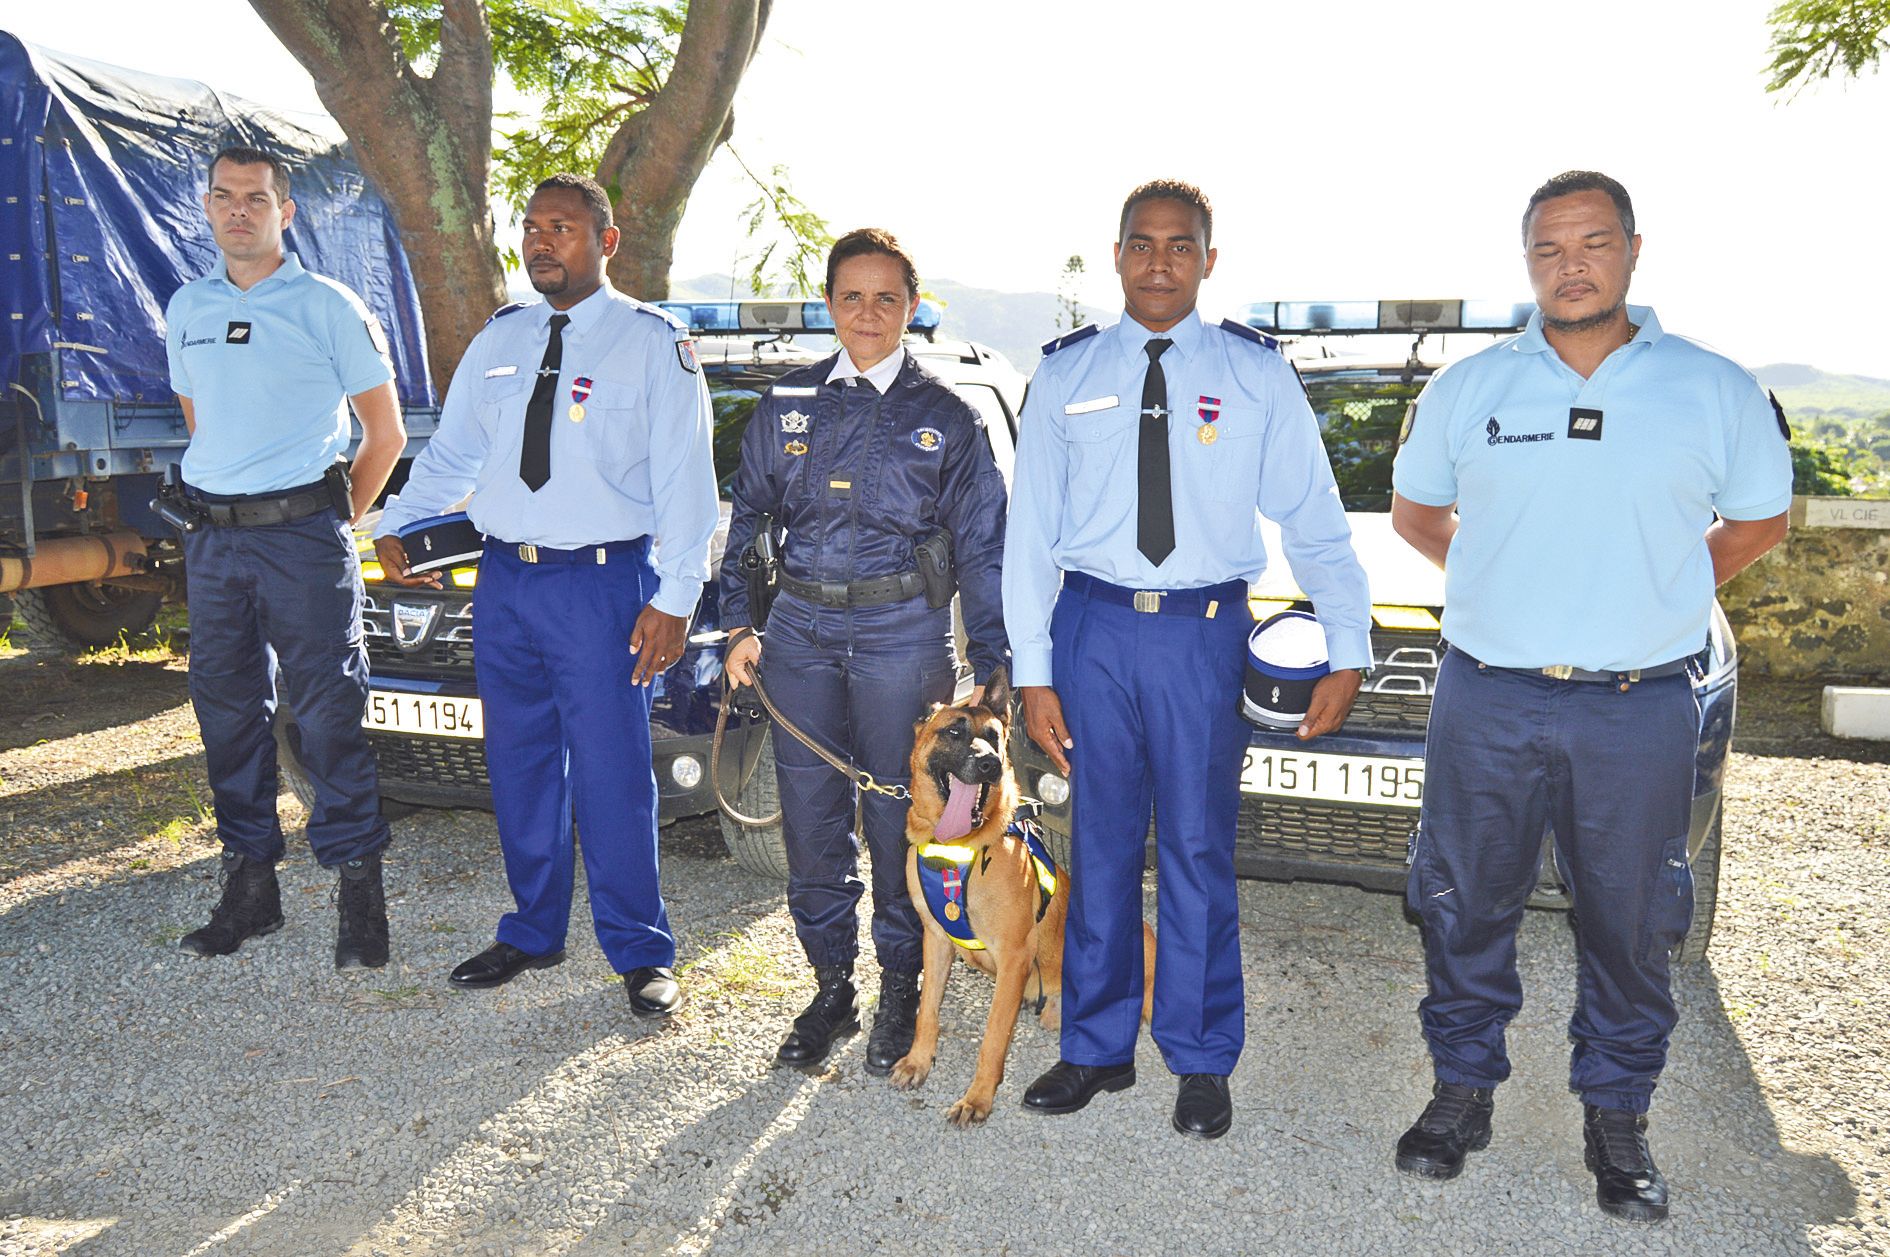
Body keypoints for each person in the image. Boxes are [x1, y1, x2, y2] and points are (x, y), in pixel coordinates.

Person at [1388, 170, 1791, 1222]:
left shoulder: (1712, 388)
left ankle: (1618, 1123)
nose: (1571, 266)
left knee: (1630, 918)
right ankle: (1461, 1094)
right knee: (1466, 905)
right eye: (1549, 249)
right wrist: (1510, 583)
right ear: (1528, 261)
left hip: (1637, 706)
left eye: (1592, 244)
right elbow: (1419, 515)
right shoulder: (1470, 388)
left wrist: (1649, 590)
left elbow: (1757, 525)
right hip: (1488, 698)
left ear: (1633, 250)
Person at [1003, 180, 1372, 1139]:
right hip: (1093, 630)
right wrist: (1033, 669)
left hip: (1204, 635)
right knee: (1101, 841)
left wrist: (1346, 642)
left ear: (1210, 259)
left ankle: (1202, 1056)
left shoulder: (1257, 374)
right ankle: (1093, 1046)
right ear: (1117, 255)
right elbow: (1029, 536)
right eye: (1142, 244)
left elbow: (1317, 522)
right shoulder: (1065, 373)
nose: (1160, 261)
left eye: (1181, 245)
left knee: (1200, 849)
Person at [373, 173, 718, 1017]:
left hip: (603, 585)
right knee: (520, 764)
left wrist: (676, 597)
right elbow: (453, 457)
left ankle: (640, 949)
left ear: (606, 241)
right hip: (506, 581)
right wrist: (397, 521)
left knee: (610, 773)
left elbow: (684, 482)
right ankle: (532, 930)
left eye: (561, 228)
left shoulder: (651, 342)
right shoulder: (501, 337)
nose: (540, 242)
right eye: (531, 228)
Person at [719, 228, 1009, 1073]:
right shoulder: (787, 405)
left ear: (911, 309)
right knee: (810, 819)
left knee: (897, 818)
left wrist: (992, 663)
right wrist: (742, 625)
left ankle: (901, 987)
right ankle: (831, 987)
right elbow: (749, 524)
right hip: (800, 633)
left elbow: (984, 545)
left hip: (900, 636)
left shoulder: (946, 418)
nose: (869, 313)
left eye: (887, 298)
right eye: (852, 296)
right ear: (830, 304)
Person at [166, 145, 406, 970]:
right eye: (226, 197)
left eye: (258, 198)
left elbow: (386, 433)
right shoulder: (186, 306)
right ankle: (250, 885)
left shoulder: (327, 305)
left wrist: (335, 523)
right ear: (207, 208)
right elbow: (205, 424)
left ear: (285, 212)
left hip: (303, 537)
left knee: (327, 710)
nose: (241, 210)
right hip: (215, 540)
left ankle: (358, 888)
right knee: (225, 712)